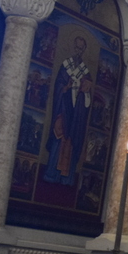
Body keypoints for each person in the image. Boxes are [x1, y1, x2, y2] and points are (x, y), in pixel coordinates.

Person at [44, 36, 93, 185]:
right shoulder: (66, 65)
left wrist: (84, 92)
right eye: (76, 48)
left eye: (81, 49)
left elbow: (87, 96)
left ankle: (66, 178)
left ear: (84, 50)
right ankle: (51, 174)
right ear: (73, 47)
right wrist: (66, 87)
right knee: (58, 138)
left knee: (71, 143)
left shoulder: (85, 71)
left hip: (76, 115)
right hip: (63, 109)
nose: (78, 51)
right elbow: (58, 86)